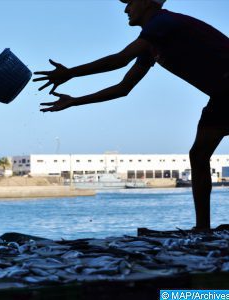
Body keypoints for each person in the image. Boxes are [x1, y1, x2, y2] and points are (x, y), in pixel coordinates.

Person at [33, 0, 229, 231]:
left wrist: (71, 73)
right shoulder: (151, 44)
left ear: (146, 3)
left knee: (199, 155)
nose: (126, 9)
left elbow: (120, 59)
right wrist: (75, 101)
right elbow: (123, 88)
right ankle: (202, 228)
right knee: (198, 155)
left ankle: (203, 228)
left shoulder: (162, 22)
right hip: (223, 94)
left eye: (130, 3)